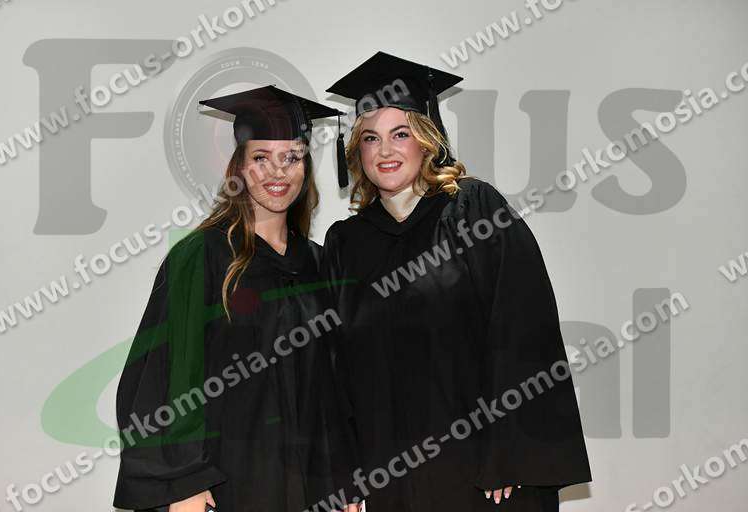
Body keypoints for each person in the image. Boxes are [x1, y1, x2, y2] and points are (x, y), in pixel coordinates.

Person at [321, 52, 592, 511]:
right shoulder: (346, 244)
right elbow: (334, 368)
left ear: (427, 141)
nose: (385, 151)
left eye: (400, 134)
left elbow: (523, 331)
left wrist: (510, 454)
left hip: (482, 473)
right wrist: (345, 473)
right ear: (356, 152)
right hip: (391, 475)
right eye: (370, 138)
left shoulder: (474, 211)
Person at [112, 86, 359, 512]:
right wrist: (183, 483)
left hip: (311, 484)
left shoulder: (318, 264)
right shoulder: (202, 256)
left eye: (292, 157)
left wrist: (344, 482)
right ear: (239, 168)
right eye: (261, 157)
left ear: (306, 168)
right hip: (227, 483)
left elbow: (332, 388)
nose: (277, 172)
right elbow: (166, 374)